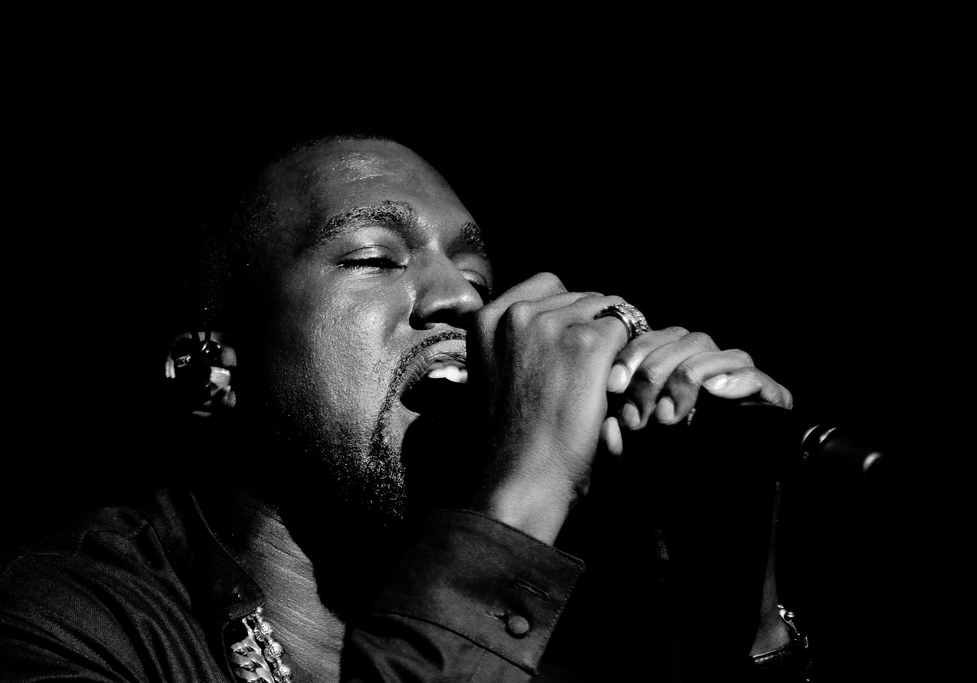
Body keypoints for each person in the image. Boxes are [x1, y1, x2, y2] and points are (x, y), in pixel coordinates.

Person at [0, 134, 807, 681]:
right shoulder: (66, 619)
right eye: (373, 259)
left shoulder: (562, 634)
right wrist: (524, 493)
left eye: (477, 277)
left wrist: (742, 608)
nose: (463, 300)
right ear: (209, 373)